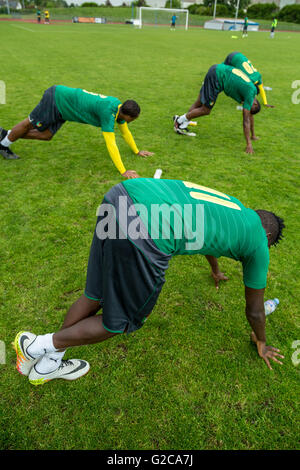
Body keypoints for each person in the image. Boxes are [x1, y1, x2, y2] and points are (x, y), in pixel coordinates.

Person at [14, 178, 285, 385]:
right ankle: (36, 346)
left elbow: (209, 237)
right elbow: (255, 309)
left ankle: (48, 364)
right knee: (119, 322)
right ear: (268, 235)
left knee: (95, 294)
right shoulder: (259, 243)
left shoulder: (235, 209)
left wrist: (214, 270)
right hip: (147, 229)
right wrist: (261, 340)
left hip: (120, 196)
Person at [0, 85, 153, 178]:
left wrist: (136, 151)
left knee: (47, 135)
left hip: (65, 110)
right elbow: (111, 143)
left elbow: (125, 133)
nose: (130, 122)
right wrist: (123, 171)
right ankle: (4, 143)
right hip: (56, 98)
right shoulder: (108, 112)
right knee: (30, 123)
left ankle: (6, 135)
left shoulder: (119, 109)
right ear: (126, 114)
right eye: (131, 119)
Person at [173, 63, 262, 154]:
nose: (245, 108)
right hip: (217, 77)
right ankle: (179, 121)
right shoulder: (250, 96)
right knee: (206, 110)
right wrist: (249, 144)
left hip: (217, 70)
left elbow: (249, 116)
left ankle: (183, 125)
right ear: (254, 103)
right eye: (248, 108)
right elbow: (246, 120)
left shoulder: (252, 92)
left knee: (199, 102)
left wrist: (253, 135)